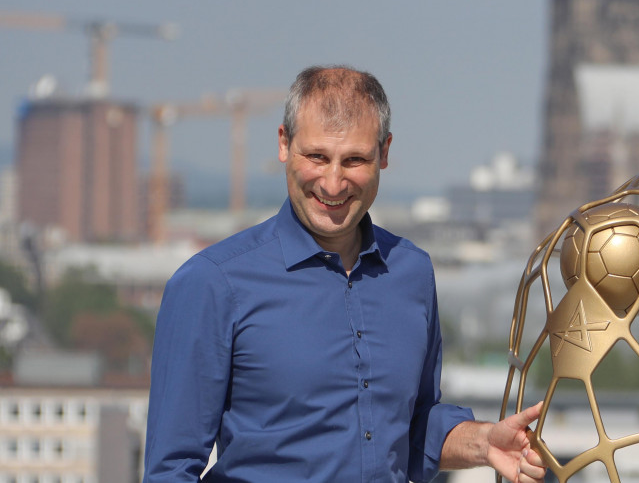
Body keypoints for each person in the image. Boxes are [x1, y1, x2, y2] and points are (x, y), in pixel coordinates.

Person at [144, 66, 546, 482]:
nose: (333, 184)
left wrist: (485, 443)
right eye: (317, 157)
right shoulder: (211, 283)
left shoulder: (412, 273)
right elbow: (170, 469)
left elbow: (410, 428)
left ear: (384, 153)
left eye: (354, 160)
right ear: (284, 143)